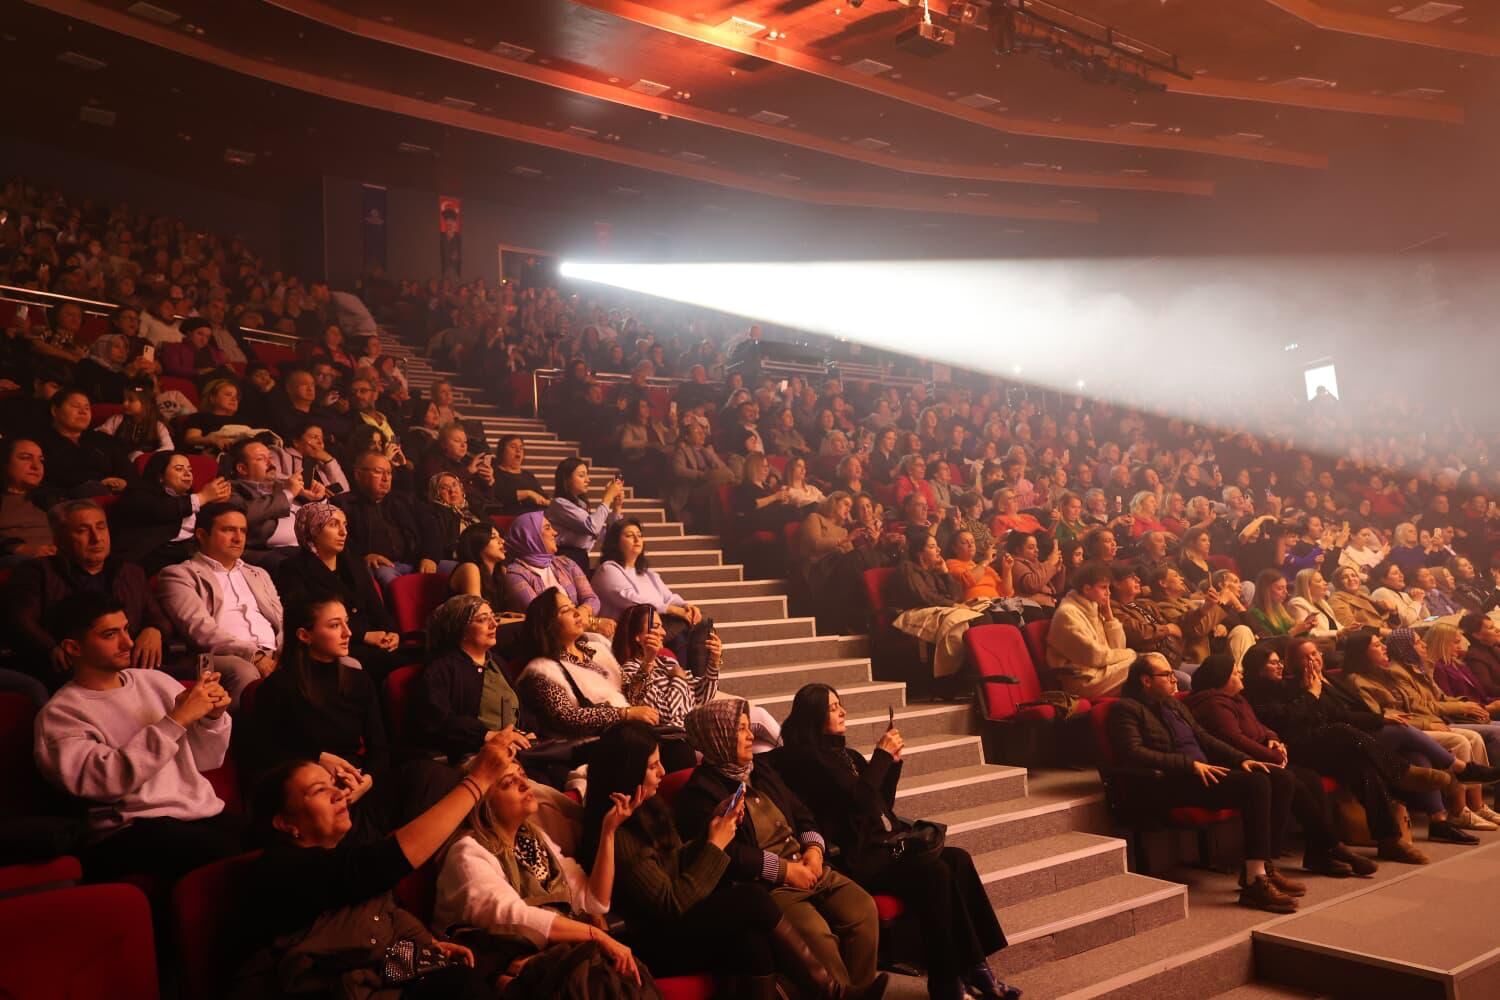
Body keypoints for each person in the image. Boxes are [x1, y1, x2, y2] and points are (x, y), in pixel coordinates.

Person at [774, 685, 1014, 1000]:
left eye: (840, 704)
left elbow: (879, 804)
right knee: (935, 873)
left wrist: (892, 766)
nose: (843, 711)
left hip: (881, 847)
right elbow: (857, 801)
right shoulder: (810, 762)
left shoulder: (848, 755)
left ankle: (976, 966)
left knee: (958, 859)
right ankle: (945, 982)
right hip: (852, 858)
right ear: (813, 715)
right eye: (833, 707)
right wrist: (882, 758)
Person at [242, 739, 515, 999]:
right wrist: (478, 780)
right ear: (286, 823)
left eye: (333, 784)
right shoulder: (278, 870)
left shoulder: (340, 854)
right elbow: (385, 863)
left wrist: (424, 949)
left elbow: (374, 920)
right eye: (318, 790)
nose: (339, 793)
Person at [578, 722, 816, 1000]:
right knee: (750, 899)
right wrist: (716, 845)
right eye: (653, 766)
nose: (662, 773)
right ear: (629, 772)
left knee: (750, 940)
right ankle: (830, 991)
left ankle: (828, 991)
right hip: (650, 941)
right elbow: (671, 903)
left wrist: (710, 832)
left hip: (678, 922)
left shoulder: (648, 808)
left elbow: (676, 861)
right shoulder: (617, 834)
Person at [674, 699, 888, 999]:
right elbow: (731, 855)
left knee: (863, 909)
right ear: (717, 736)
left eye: (750, 728)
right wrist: (787, 871)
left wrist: (814, 850)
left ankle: (857, 992)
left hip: (808, 864)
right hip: (771, 884)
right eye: (742, 730)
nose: (751, 737)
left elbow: (802, 815)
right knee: (817, 935)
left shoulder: (761, 770)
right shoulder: (701, 794)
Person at [33, 591, 239, 881]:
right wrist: (176, 720)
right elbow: (106, 783)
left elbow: (206, 760)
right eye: (110, 634)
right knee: (228, 857)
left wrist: (211, 717)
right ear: (73, 648)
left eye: (127, 629)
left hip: (197, 814)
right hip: (129, 830)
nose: (128, 642)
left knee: (274, 833)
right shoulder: (61, 715)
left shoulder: (155, 681)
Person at [434, 755, 656, 998]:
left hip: (552, 957)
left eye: (523, 775)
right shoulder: (467, 851)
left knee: (631, 975)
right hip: (504, 969)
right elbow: (512, 916)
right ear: (482, 802)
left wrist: (609, 832)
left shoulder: (534, 838)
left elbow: (593, 901)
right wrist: (598, 936)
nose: (525, 784)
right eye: (509, 782)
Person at [1254, 639, 1488, 855]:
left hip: (1340, 741)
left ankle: (1394, 838)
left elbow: (1342, 713)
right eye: (1306, 657)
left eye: (1315, 653)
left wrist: (1379, 718)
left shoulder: (1326, 680)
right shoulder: (1288, 687)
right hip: (1309, 746)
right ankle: (1418, 771)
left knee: (1368, 768)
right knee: (1364, 731)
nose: (1313, 660)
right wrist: (1312, 694)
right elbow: (1302, 720)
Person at [1109, 653, 1302, 912]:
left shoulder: (1174, 705)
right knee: (1256, 785)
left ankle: (1264, 864)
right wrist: (1189, 765)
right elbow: (1133, 753)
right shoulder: (1126, 709)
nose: (1174, 678)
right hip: (1169, 782)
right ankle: (1254, 881)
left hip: (1202, 773)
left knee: (1279, 777)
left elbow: (1205, 738)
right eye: (1166, 675)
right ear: (1146, 680)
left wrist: (1243, 759)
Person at [1185, 655, 1375, 877]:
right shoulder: (1213, 704)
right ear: (1222, 678)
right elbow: (1235, 740)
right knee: (1294, 781)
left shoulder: (1236, 699)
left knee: (1311, 778)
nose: (1240, 674)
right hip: (1238, 763)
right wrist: (1274, 755)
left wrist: (1273, 738)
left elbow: (1261, 727)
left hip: (1261, 758)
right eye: (1235, 672)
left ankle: (1320, 853)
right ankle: (1328, 848)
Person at [1338, 632, 1500, 833]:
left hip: (1412, 726)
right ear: (1362, 652)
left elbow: (1424, 702)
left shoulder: (1385, 673)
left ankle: (1453, 814)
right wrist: (1428, 723)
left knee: (1420, 756)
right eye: (1378, 645)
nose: (1384, 648)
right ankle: (1460, 807)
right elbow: (1384, 716)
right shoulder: (1361, 680)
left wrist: (1464, 705)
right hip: (1393, 731)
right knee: (1462, 741)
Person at [6, 499, 172, 691]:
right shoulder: (37, 572)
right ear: (58, 540)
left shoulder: (130, 572)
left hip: (129, 671)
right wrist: (51, 648)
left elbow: (159, 618)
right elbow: (19, 621)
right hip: (68, 675)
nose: (96, 538)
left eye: (101, 528)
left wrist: (154, 630)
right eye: (83, 530)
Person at [514, 586, 691, 766]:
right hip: (592, 745)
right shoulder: (542, 669)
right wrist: (624, 714)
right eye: (566, 610)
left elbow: (632, 697)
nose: (577, 613)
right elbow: (568, 718)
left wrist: (648, 661)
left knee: (681, 745)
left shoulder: (597, 651)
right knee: (677, 753)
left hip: (625, 734)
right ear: (548, 624)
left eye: (574, 606)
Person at [155, 501, 282, 706]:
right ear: (202, 535)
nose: (238, 538)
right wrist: (255, 656)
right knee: (243, 670)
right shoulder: (178, 575)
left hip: (273, 653)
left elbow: (282, 620)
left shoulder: (258, 573)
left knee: (339, 663)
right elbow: (202, 632)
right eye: (228, 530)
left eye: (243, 530)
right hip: (218, 657)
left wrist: (287, 652)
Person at [275, 502, 403, 681]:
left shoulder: (354, 563)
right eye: (334, 525)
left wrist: (391, 632)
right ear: (313, 530)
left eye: (344, 525)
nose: (343, 532)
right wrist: (364, 636)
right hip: (333, 644)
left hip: (374, 640)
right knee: (384, 664)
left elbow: (376, 607)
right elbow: (304, 618)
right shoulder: (293, 569)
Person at [593, 518, 714, 674]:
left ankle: (697, 678)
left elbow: (668, 596)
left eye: (639, 535)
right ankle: (688, 680)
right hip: (631, 631)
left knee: (700, 623)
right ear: (615, 542)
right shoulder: (607, 569)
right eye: (630, 535)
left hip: (655, 625)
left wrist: (686, 606)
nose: (637, 539)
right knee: (690, 625)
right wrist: (672, 610)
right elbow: (631, 599)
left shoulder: (647, 573)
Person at [889, 526, 987, 690]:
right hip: (917, 610)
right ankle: (957, 677)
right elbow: (923, 595)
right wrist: (953, 605)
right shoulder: (908, 567)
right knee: (970, 621)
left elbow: (956, 596)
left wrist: (945, 573)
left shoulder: (935, 570)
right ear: (920, 553)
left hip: (942, 608)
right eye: (933, 546)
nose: (939, 549)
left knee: (985, 615)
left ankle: (980, 671)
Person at [110, 449, 232, 574]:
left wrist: (219, 503)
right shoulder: (138, 493)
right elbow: (160, 510)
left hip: (191, 552)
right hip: (154, 557)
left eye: (189, 470)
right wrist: (203, 497)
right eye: (179, 469)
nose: (188, 474)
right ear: (160, 476)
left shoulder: (192, 499)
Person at [503, 511, 614, 637]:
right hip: (548, 641)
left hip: (578, 630)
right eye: (547, 528)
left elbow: (592, 599)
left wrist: (583, 611)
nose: (555, 533)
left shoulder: (565, 563)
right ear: (530, 536)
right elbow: (543, 617)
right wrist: (593, 623)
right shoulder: (515, 574)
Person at [334, 452, 437, 587]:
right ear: (358, 475)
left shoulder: (404, 500)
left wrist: (430, 557)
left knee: (465, 569)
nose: (386, 478)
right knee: (388, 578)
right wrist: (364, 557)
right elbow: (339, 542)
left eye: (389, 473)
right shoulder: (342, 504)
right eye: (378, 472)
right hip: (382, 568)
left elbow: (431, 527)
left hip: (417, 562)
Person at [1046, 561, 1136, 698]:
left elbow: (1118, 647)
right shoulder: (1067, 613)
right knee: (1147, 667)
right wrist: (1131, 654)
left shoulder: (1094, 608)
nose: (1108, 593)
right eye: (1103, 588)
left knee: (1152, 666)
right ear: (1087, 589)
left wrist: (1109, 617)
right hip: (1082, 682)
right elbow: (1095, 656)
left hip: (1101, 673)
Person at [228, 438, 320, 556]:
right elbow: (242, 515)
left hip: (307, 544)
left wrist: (317, 499)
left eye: (270, 457)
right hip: (271, 553)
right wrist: (288, 494)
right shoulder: (230, 490)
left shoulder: (282, 484)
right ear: (242, 469)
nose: (270, 463)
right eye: (261, 459)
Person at [35, 388, 134, 495]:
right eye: (76, 406)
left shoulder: (103, 439)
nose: (83, 412)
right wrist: (97, 484)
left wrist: (124, 482)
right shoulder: (38, 443)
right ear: (55, 410)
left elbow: (128, 472)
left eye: (87, 408)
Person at [547, 457, 624, 570]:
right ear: (567, 479)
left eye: (587, 475)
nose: (588, 480)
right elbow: (592, 527)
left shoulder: (581, 505)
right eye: (582, 475)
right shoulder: (559, 504)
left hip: (580, 558)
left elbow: (607, 535)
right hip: (564, 559)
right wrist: (608, 497)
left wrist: (617, 506)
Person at [0, 437, 59, 566]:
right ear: (5, 462)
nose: (36, 466)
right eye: (26, 458)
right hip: (15, 562)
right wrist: (19, 548)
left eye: (41, 460)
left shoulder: (51, 499)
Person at [670, 421, 736, 533]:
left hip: (711, 482)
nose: (702, 435)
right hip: (694, 487)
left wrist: (712, 455)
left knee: (722, 481)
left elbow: (723, 469)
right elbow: (678, 470)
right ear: (687, 437)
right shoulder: (682, 450)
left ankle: (718, 528)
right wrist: (701, 475)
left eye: (703, 432)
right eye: (697, 432)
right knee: (725, 479)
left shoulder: (708, 451)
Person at [95, 379, 173, 459]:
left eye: (131, 400)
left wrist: (144, 457)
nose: (125, 403)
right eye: (124, 400)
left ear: (145, 403)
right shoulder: (117, 419)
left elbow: (169, 447)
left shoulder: (157, 425)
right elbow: (99, 434)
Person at [1248, 568, 1319, 639]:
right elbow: (1269, 643)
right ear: (1266, 591)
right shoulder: (1256, 614)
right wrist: (1294, 631)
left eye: (1286, 588)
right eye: (1280, 588)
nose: (1286, 592)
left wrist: (1305, 628)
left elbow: (1294, 638)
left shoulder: (1280, 610)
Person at [945, 528, 1012, 603]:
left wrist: (1007, 570)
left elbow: (1006, 593)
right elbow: (967, 579)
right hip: (977, 606)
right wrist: (986, 561)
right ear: (954, 548)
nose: (970, 545)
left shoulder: (986, 568)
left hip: (997, 604)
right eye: (964, 543)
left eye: (972, 542)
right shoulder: (951, 563)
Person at [491, 434, 549, 515]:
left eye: (521, 448)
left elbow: (543, 497)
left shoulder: (528, 475)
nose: (518, 450)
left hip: (537, 516)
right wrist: (527, 494)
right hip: (511, 516)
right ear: (502, 451)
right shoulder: (494, 472)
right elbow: (499, 495)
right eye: (513, 447)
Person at [1328, 565, 1394, 633]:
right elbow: (1351, 627)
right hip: (1370, 639)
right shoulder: (1336, 600)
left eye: (1354, 575)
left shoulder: (1362, 594)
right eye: (1344, 577)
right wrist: (1384, 632)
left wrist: (1394, 613)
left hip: (1387, 633)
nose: (1351, 579)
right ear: (1337, 583)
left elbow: (1387, 620)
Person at [1006, 530, 1061, 607]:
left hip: (1048, 605)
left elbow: (1057, 590)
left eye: (1036, 546)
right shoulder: (1014, 564)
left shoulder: (1036, 563)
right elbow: (1032, 585)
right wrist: (1050, 563)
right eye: (1031, 547)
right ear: (1018, 550)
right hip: (1032, 608)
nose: (1037, 550)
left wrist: (1057, 570)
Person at [1461, 613, 1500, 699]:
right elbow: (1488, 688)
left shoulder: (1493, 647)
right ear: (1477, 635)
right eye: (1491, 628)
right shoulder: (1475, 657)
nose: (1498, 630)